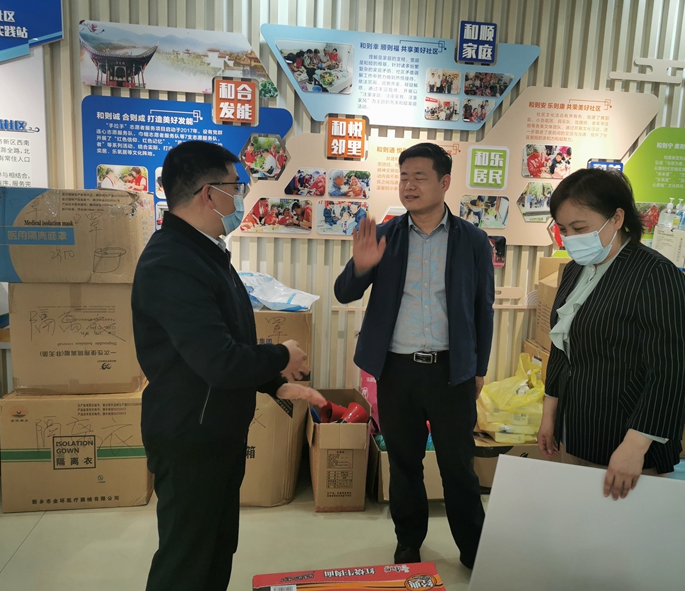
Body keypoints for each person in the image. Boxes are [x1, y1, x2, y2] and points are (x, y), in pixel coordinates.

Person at [131, 141, 326, 591]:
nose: (241, 198)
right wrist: (282, 355)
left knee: (216, 550)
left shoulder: (205, 252)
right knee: (186, 562)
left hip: (216, 434)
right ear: (209, 193)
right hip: (190, 440)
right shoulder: (171, 263)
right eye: (236, 187)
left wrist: (275, 383)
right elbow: (218, 361)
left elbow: (225, 341)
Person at [334, 142, 493, 569]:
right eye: (404, 177)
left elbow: (483, 308)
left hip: (451, 373)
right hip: (397, 372)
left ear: (444, 182)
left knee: (458, 466)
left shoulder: (474, 240)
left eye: (420, 177)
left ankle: (473, 548)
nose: (409, 185)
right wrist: (361, 266)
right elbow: (344, 293)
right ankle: (408, 541)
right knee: (404, 464)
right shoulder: (385, 236)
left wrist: (478, 368)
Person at [536, 169, 685, 500]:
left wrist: (635, 446)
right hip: (575, 431)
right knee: (577, 523)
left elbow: (671, 372)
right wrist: (550, 415)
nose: (571, 238)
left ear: (617, 218)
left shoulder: (656, 275)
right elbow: (562, 348)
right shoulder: (575, 270)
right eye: (563, 230)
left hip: (625, 443)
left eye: (580, 228)